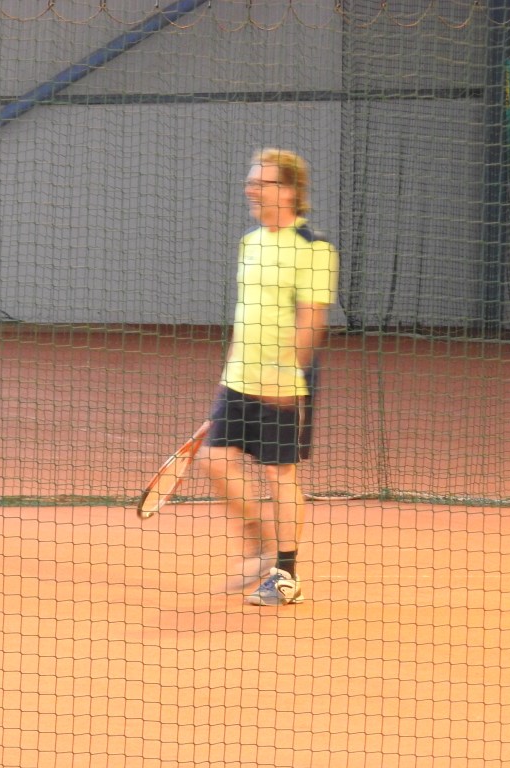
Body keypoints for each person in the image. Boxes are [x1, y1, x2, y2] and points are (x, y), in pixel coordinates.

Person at [197, 148, 340, 606]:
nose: (251, 190)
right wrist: (226, 379)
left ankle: (286, 576)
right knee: (214, 461)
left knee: (280, 474)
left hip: (284, 383)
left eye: (262, 182)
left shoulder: (314, 248)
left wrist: (286, 373)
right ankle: (259, 545)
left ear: (290, 190)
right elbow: (246, 317)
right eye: (251, 181)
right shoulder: (250, 242)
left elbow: (311, 319)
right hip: (239, 378)